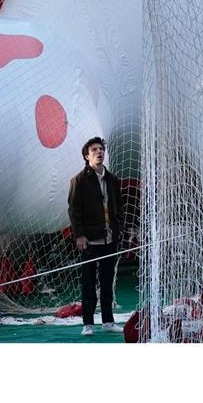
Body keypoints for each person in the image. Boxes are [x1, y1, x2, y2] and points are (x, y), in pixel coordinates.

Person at [67, 136, 124, 335]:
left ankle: (108, 321)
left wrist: (119, 231)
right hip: (90, 240)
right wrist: (79, 236)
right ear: (86, 156)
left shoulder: (112, 179)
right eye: (94, 150)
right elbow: (74, 211)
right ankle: (88, 324)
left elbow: (118, 207)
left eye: (101, 149)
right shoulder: (79, 180)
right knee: (89, 283)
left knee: (107, 282)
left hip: (110, 239)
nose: (99, 152)